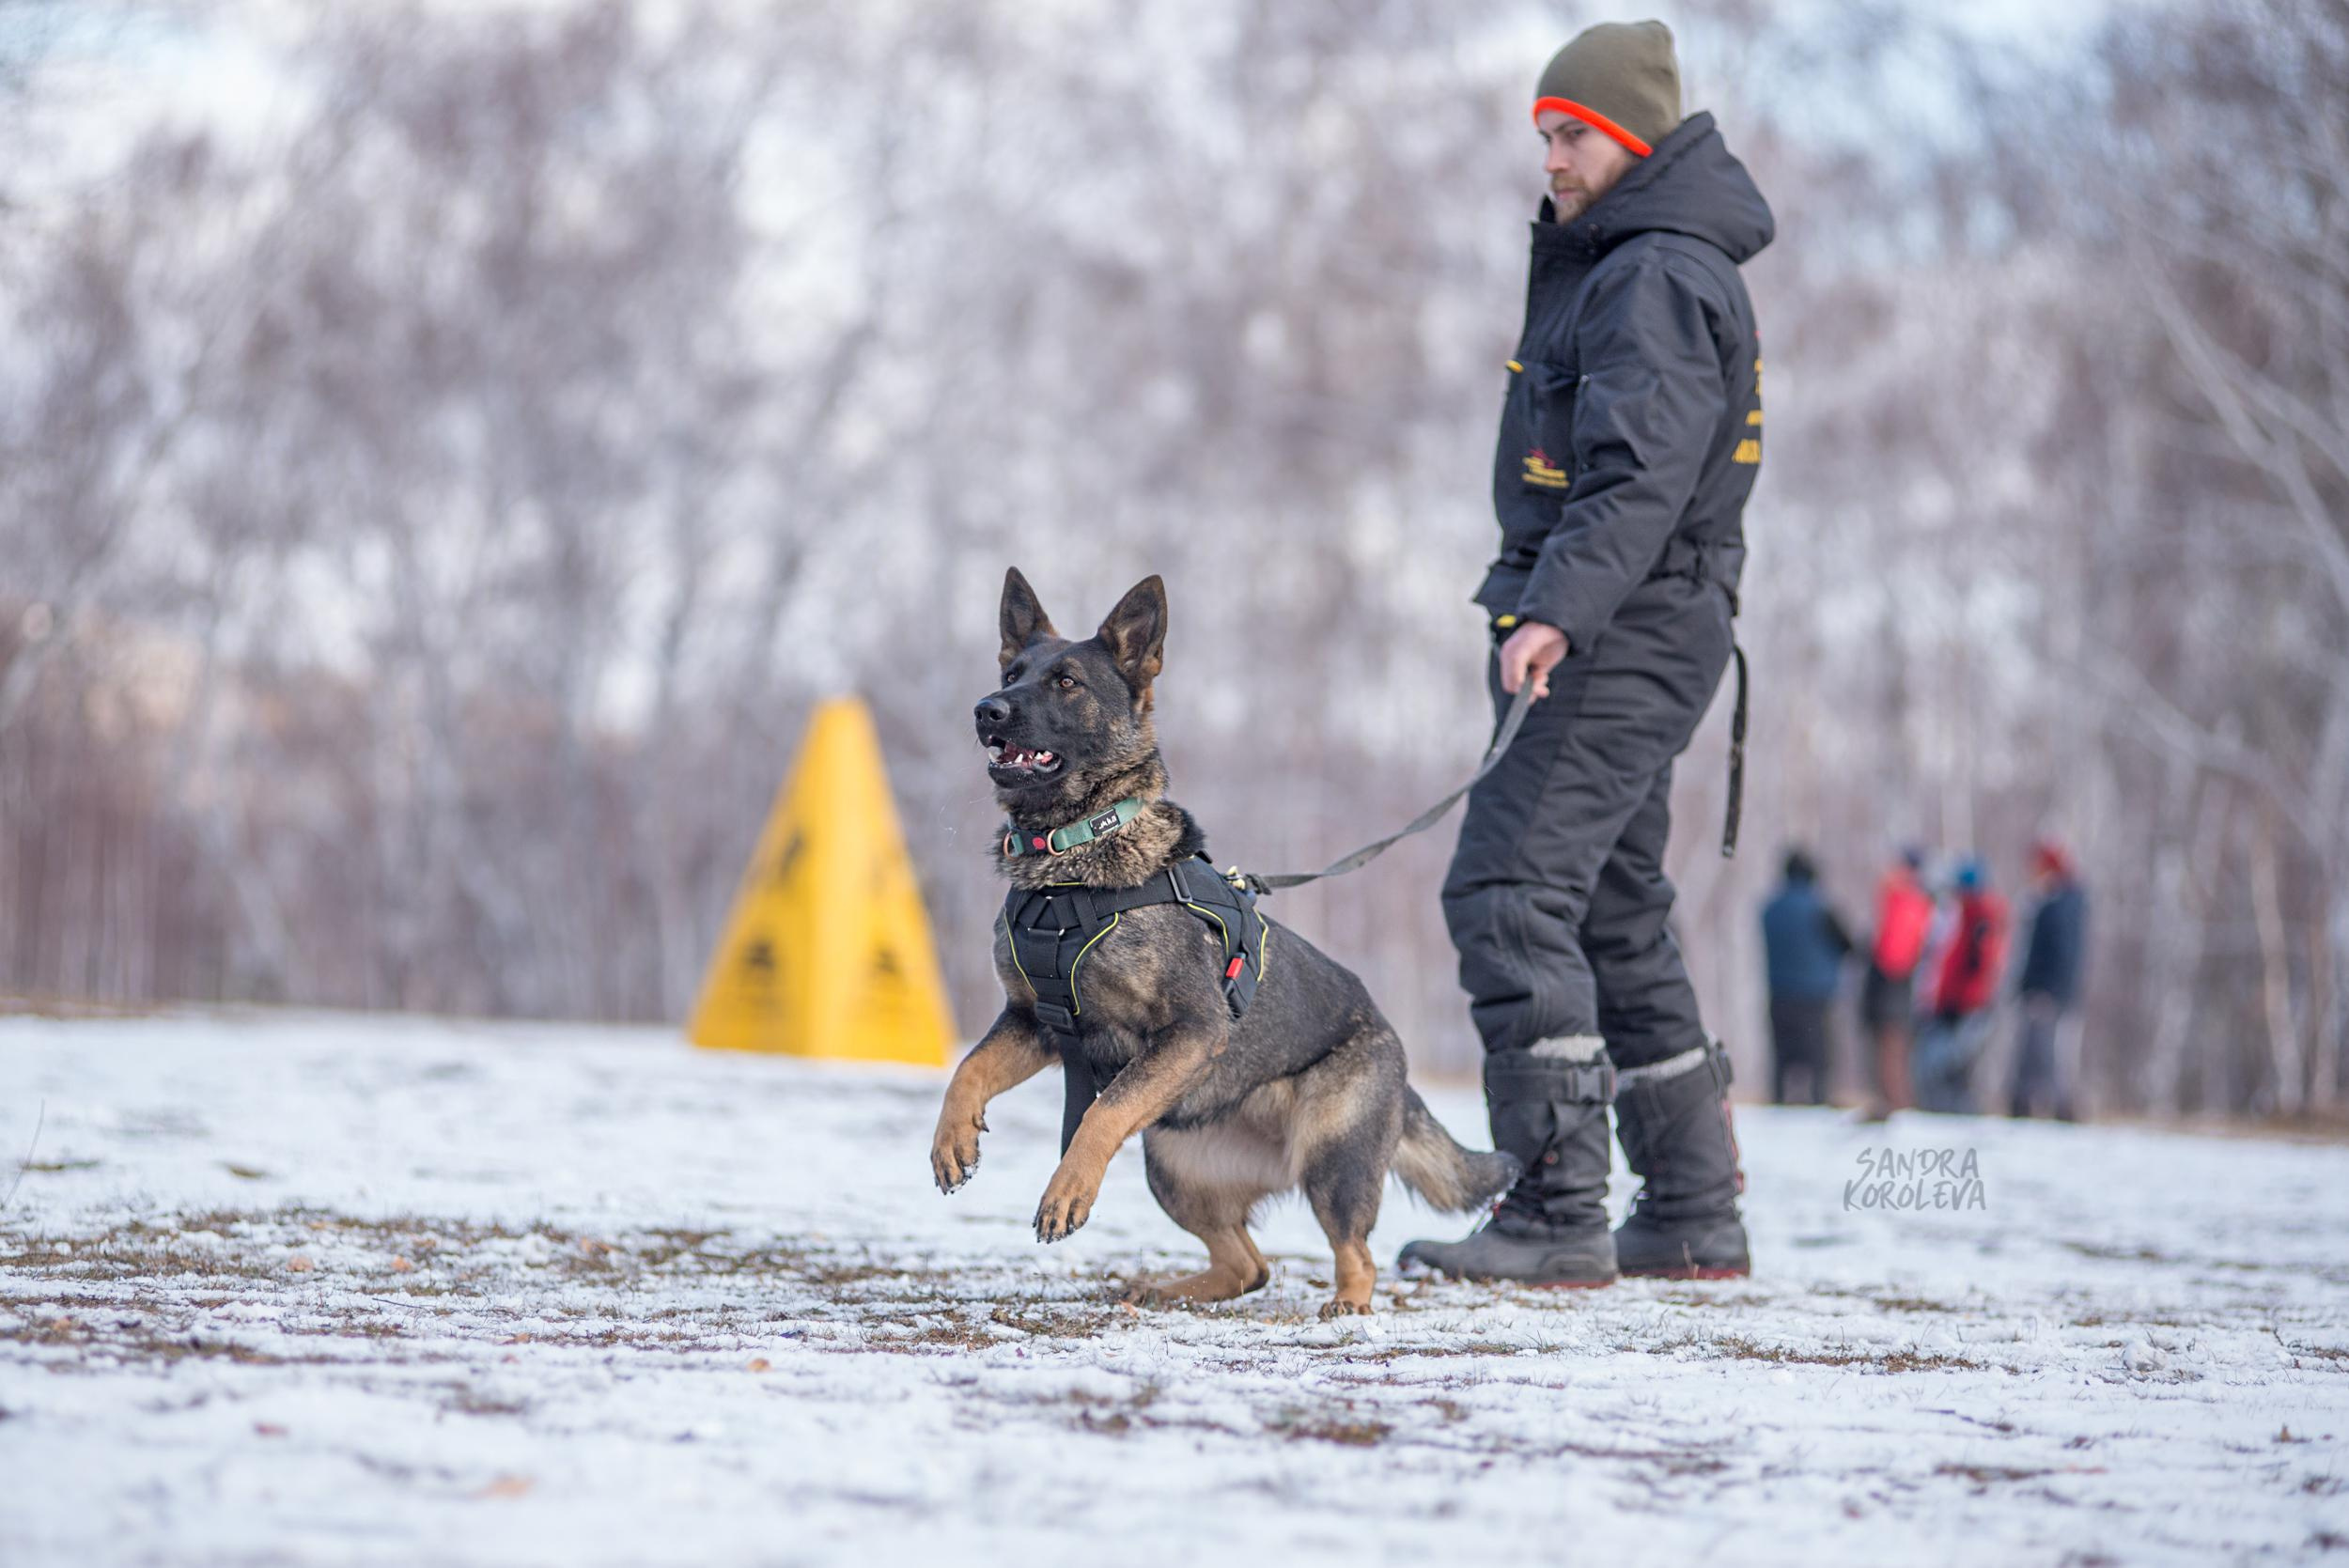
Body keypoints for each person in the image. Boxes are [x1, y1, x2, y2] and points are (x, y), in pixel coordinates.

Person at [1401, 20, 1772, 1286]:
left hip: (1622, 622)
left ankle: (1558, 1208)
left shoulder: (1653, 271)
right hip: (1646, 619)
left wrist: (1555, 608)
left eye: (1573, 136)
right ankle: (1688, 1212)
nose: (1551, 158)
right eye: (1545, 134)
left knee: (1507, 890)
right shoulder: (1636, 257)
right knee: (1614, 908)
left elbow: (1635, 476)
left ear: (1630, 138)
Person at [1913, 858, 2008, 1113]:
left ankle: (1959, 1117)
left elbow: (1981, 966)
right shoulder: (1967, 916)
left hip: (1966, 1006)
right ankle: (1949, 1115)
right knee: (1946, 1069)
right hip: (1955, 1003)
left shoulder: (1981, 917)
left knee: (1950, 1068)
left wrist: (1965, 998)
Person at [1761, 848, 1852, 1105]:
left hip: (1779, 994)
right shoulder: (1821, 909)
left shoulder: (1770, 909)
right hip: (1815, 997)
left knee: (1782, 1058)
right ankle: (1818, 1104)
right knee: (1818, 1060)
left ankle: (1778, 1104)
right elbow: (1848, 946)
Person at [2009, 839, 2088, 1120]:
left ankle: (2061, 1110)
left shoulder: (2061, 904)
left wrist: (2048, 989)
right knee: (2036, 1050)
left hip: (2049, 991)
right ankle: (2026, 1104)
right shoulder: (2050, 900)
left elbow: (2061, 952)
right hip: (2042, 988)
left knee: (2049, 1052)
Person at [1859, 846, 1934, 1118]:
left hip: (1893, 988)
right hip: (1894, 987)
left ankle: (1896, 1107)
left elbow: (1894, 953)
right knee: (1888, 1049)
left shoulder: (1906, 902)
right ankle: (1891, 1104)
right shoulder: (1906, 901)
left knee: (1891, 1048)